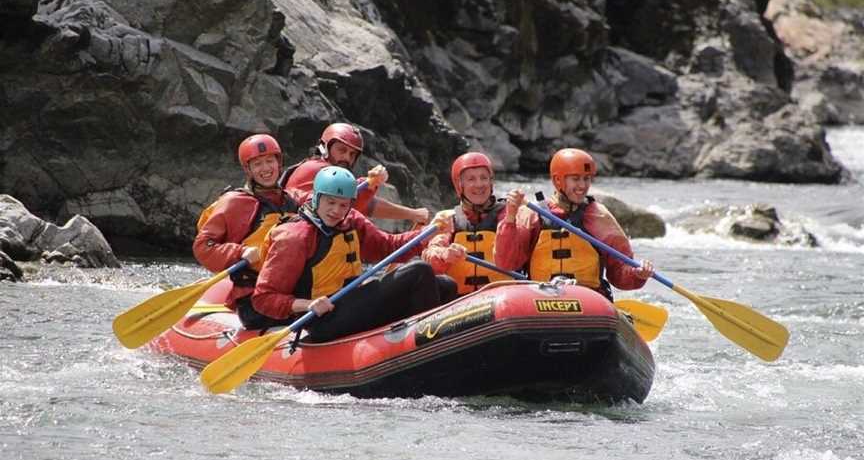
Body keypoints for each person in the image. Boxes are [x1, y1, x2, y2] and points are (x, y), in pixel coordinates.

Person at [244, 166, 456, 342]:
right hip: (323, 318)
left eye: (343, 205)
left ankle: (422, 343)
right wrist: (307, 305)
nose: (336, 211)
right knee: (419, 270)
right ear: (317, 198)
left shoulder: (351, 221)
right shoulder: (294, 237)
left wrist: (428, 232)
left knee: (445, 284)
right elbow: (263, 299)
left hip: (352, 302)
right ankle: (427, 343)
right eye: (330, 202)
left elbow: (387, 246)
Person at [495, 148, 654, 300]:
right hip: (540, 298)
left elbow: (619, 272)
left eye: (586, 179)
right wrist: (510, 218)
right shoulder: (532, 213)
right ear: (558, 180)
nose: (582, 186)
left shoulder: (599, 215)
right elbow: (506, 262)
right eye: (575, 179)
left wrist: (636, 273)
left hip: (589, 300)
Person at [193, 131, 300, 309]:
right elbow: (203, 246)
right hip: (253, 296)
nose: (265, 169)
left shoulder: (291, 201)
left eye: (270, 161)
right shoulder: (234, 202)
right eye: (257, 164)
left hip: (289, 290)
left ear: (279, 163)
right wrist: (239, 252)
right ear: (248, 169)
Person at [286, 122, 430, 225]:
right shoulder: (315, 169)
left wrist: (412, 214)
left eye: (352, 154)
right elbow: (357, 201)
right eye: (341, 150)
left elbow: (366, 205)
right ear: (324, 148)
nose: (347, 158)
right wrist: (370, 182)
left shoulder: (334, 181)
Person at [422, 151, 514, 295]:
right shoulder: (447, 218)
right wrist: (444, 255)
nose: (479, 184)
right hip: (459, 300)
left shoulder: (509, 214)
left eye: (484, 178)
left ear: (491, 182)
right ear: (460, 185)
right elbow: (431, 253)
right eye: (471, 179)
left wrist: (511, 219)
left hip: (501, 296)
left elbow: (516, 252)